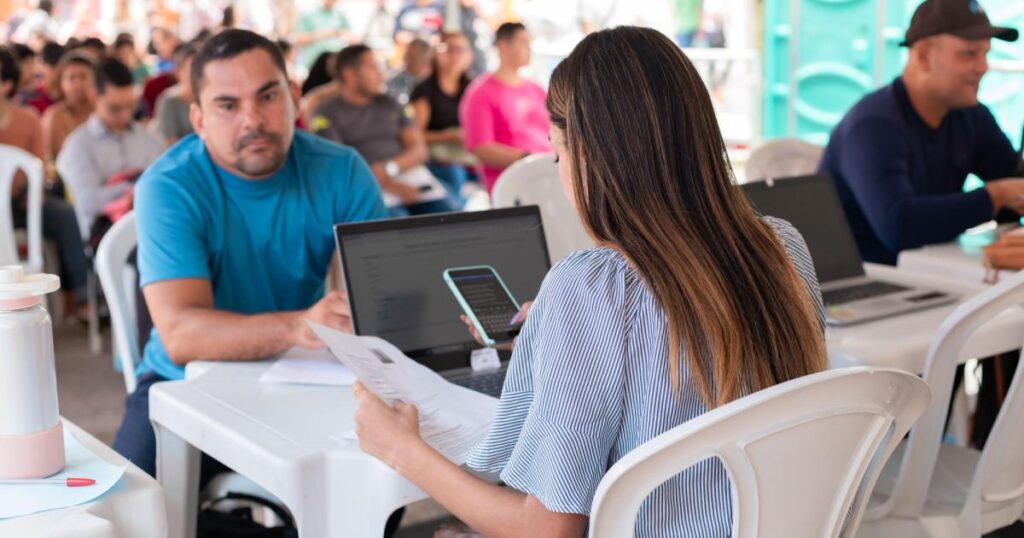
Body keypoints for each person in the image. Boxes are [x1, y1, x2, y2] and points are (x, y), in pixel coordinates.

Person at [352, 27, 827, 536]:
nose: (561, 172)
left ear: (592, 157)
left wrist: (402, 449)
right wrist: (558, 333)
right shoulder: (782, 247)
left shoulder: (592, 289)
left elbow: (547, 529)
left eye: (558, 154)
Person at [111, 29, 387, 482]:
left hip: (304, 374)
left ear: (295, 97)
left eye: (268, 96)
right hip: (182, 381)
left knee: (374, 482)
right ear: (197, 119)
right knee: (131, 511)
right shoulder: (169, 186)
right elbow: (182, 335)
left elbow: (382, 293)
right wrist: (302, 325)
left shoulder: (341, 170)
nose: (252, 120)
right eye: (227, 105)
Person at [820, 0, 1024, 266]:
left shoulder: (970, 115)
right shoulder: (873, 125)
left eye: (986, 54)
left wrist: (1007, 195)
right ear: (924, 55)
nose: (983, 67)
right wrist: (995, 196)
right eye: (969, 54)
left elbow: (1014, 184)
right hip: (868, 283)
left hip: (930, 273)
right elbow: (900, 227)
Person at [311, 44, 459, 216]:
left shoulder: (391, 103)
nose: (381, 73)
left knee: (452, 216)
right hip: (364, 188)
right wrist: (385, 183)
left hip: (409, 177)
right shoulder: (326, 113)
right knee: (397, 228)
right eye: (373, 67)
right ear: (350, 75)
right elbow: (337, 165)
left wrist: (388, 169)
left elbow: (419, 150)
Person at [0, 46, 90, 320]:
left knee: (65, 214)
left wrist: (27, 191)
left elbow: (39, 170)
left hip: (22, 203)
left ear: (6, 83)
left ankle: (84, 297)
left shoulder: (28, 120)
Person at [56, 58, 165, 242]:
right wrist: (134, 188)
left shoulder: (149, 138)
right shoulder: (79, 144)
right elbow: (88, 202)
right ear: (94, 96)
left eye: (131, 106)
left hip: (153, 227)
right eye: (114, 108)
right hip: (107, 237)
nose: (125, 115)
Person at [459, 22, 551, 193]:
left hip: (549, 174)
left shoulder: (536, 89)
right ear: (503, 46)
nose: (529, 49)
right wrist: (529, 159)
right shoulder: (480, 93)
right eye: (523, 43)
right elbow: (482, 149)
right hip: (513, 183)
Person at [410, 31, 474, 203]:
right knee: (454, 175)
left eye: (460, 50)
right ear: (436, 53)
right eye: (448, 49)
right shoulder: (424, 91)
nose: (454, 55)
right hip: (437, 159)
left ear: (469, 56)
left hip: (469, 155)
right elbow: (415, 135)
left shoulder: (472, 89)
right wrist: (449, 136)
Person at [41, 52, 95, 176]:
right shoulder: (54, 116)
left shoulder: (102, 114)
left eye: (83, 77)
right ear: (62, 83)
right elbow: (51, 161)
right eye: (71, 78)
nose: (77, 84)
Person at [153, 43, 199, 145]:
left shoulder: (206, 98)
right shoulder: (169, 101)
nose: (197, 75)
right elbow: (170, 143)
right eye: (191, 70)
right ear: (178, 72)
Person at [292, 0, 352, 71]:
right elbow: (299, 39)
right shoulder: (307, 13)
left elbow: (351, 35)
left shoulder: (340, 14)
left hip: (335, 63)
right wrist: (326, 34)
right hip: (313, 63)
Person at [18, 40, 62, 115]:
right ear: (42, 65)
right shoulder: (29, 97)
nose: (57, 72)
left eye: (61, 67)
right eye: (52, 67)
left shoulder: (70, 97)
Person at [387, 37, 432, 105]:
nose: (407, 59)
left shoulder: (431, 85)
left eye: (413, 56)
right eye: (407, 54)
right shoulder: (395, 78)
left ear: (425, 59)